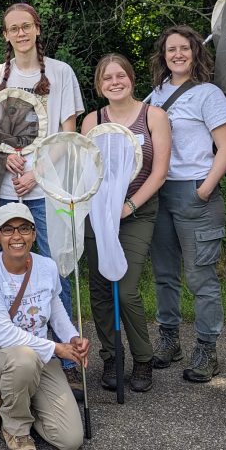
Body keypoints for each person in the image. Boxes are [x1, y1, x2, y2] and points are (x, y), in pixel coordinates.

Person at [0, 2, 85, 396]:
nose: (21, 33)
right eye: (14, 28)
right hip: (8, 190)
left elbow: (68, 133)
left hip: (47, 189)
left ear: (37, 29)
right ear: (6, 35)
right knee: (10, 271)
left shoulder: (60, 72)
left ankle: (66, 361)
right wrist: (7, 155)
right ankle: (10, 348)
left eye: (27, 26)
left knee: (58, 270)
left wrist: (37, 173)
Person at [147, 26, 226, 382]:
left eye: (184, 48)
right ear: (163, 55)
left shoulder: (208, 94)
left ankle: (206, 349)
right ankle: (169, 339)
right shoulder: (155, 95)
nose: (178, 54)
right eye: (171, 49)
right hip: (159, 191)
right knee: (164, 274)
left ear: (195, 52)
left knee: (201, 277)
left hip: (195, 191)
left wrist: (205, 188)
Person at [0, 203, 90, 450]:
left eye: (24, 228)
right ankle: (16, 430)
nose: (17, 236)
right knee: (24, 357)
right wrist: (57, 348)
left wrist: (72, 338)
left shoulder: (47, 266)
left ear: (34, 234)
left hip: (39, 358)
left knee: (70, 440)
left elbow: (56, 311)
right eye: (8, 230)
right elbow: (4, 336)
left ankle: (22, 403)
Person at [81, 54, 170, 393]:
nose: (115, 82)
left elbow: (159, 172)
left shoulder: (154, 116)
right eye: (107, 78)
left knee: (126, 288)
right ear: (99, 85)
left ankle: (143, 358)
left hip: (137, 212)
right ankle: (111, 356)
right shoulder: (92, 121)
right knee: (101, 288)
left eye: (120, 75)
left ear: (131, 79)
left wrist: (129, 205)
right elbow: (87, 169)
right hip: (98, 213)